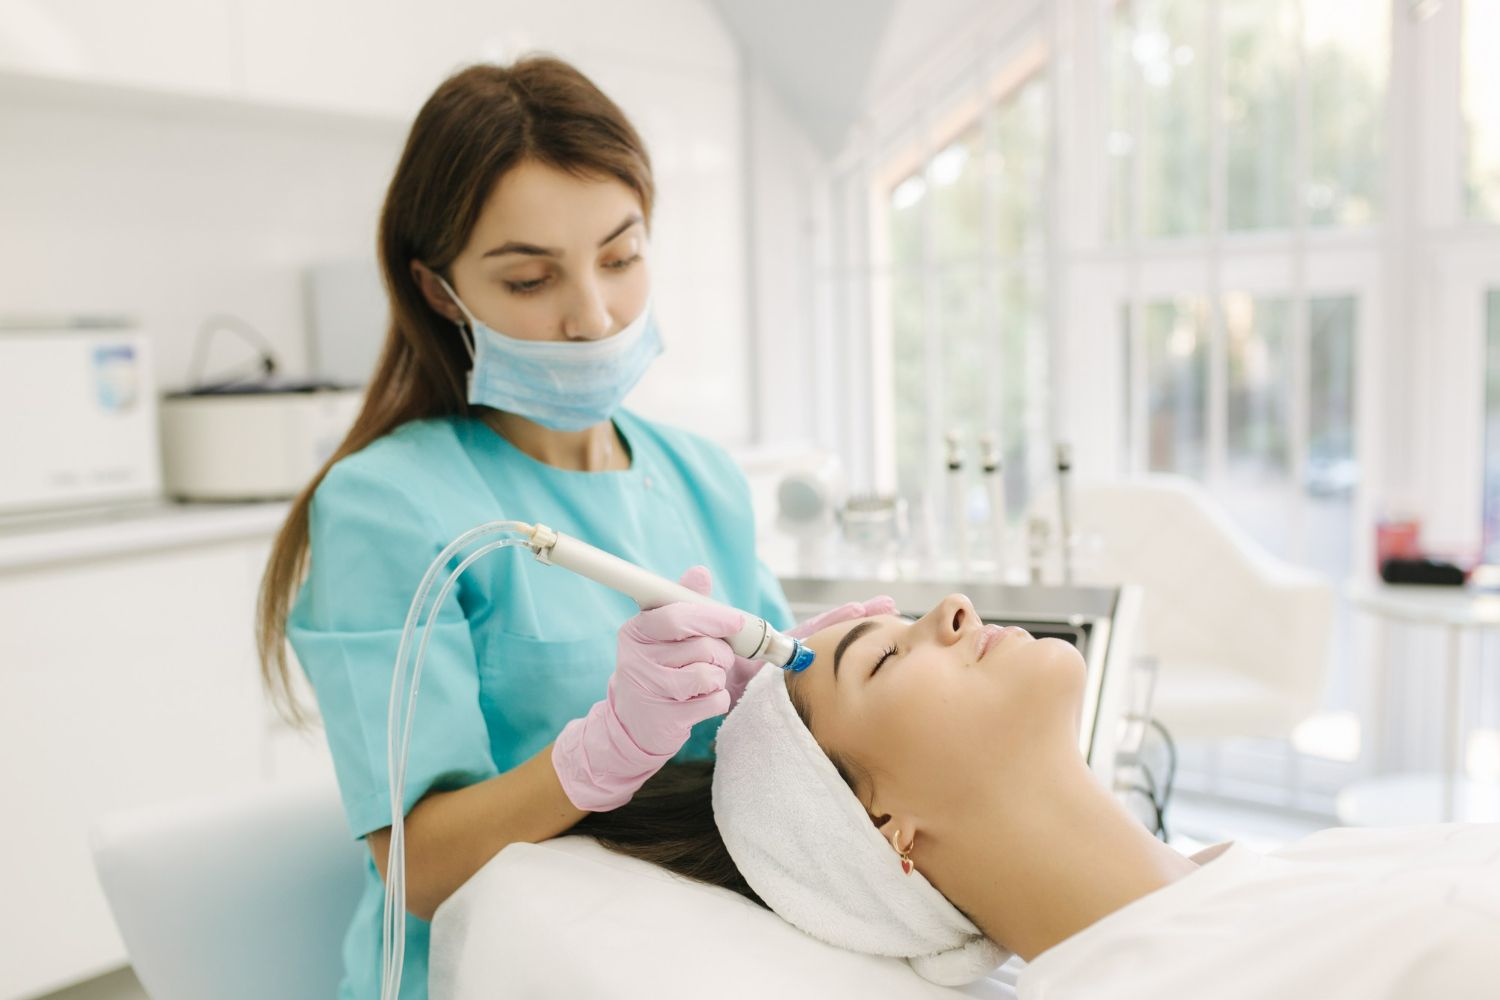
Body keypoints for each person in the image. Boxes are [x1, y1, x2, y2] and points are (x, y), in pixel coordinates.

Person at [255, 56, 886, 1000]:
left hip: (692, 944)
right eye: (528, 279)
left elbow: (770, 748)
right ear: (440, 290)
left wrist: (814, 687)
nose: (592, 316)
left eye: (621, 258)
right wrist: (597, 758)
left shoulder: (700, 476)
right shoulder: (386, 507)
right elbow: (419, 873)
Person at [581, 593, 1500, 999]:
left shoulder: (1275, 875)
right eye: (887, 657)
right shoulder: (1171, 981)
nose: (953, 607)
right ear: (882, 831)